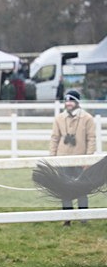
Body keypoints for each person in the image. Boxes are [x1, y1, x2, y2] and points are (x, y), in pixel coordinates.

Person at [49, 89, 96, 226]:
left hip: (80, 160)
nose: (68, 103)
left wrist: (88, 159)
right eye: (66, 100)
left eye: (71, 100)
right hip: (63, 159)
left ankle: (83, 218)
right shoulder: (59, 119)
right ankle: (67, 218)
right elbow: (54, 138)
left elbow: (91, 139)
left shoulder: (87, 119)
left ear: (77, 102)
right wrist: (53, 157)